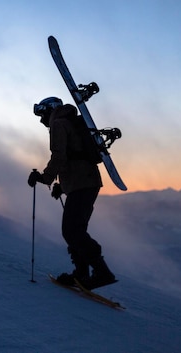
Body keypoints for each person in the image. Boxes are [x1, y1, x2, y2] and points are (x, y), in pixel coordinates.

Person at [28, 97, 117, 289]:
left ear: (49, 111)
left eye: (41, 114)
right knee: (74, 230)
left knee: (72, 230)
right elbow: (72, 156)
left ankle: (101, 273)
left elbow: (59, 156)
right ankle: (82, 274)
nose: (41, 120)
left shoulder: (59, 124)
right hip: (84, 181)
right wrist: (62, 185)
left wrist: (45, 178)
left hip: (82, 182)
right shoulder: (69, 122)